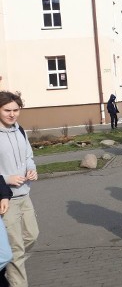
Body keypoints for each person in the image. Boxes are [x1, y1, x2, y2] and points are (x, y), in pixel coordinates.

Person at [0, 91, 39, 287]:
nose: (12, 114)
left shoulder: (20, 130)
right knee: (16, 250)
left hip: (25, 194)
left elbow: (27, 157)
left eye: (16, 110)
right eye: (7, 110)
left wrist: (32, 170)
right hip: (6, 200)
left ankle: (7, 260)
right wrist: (7, 178)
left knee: (32, 235)